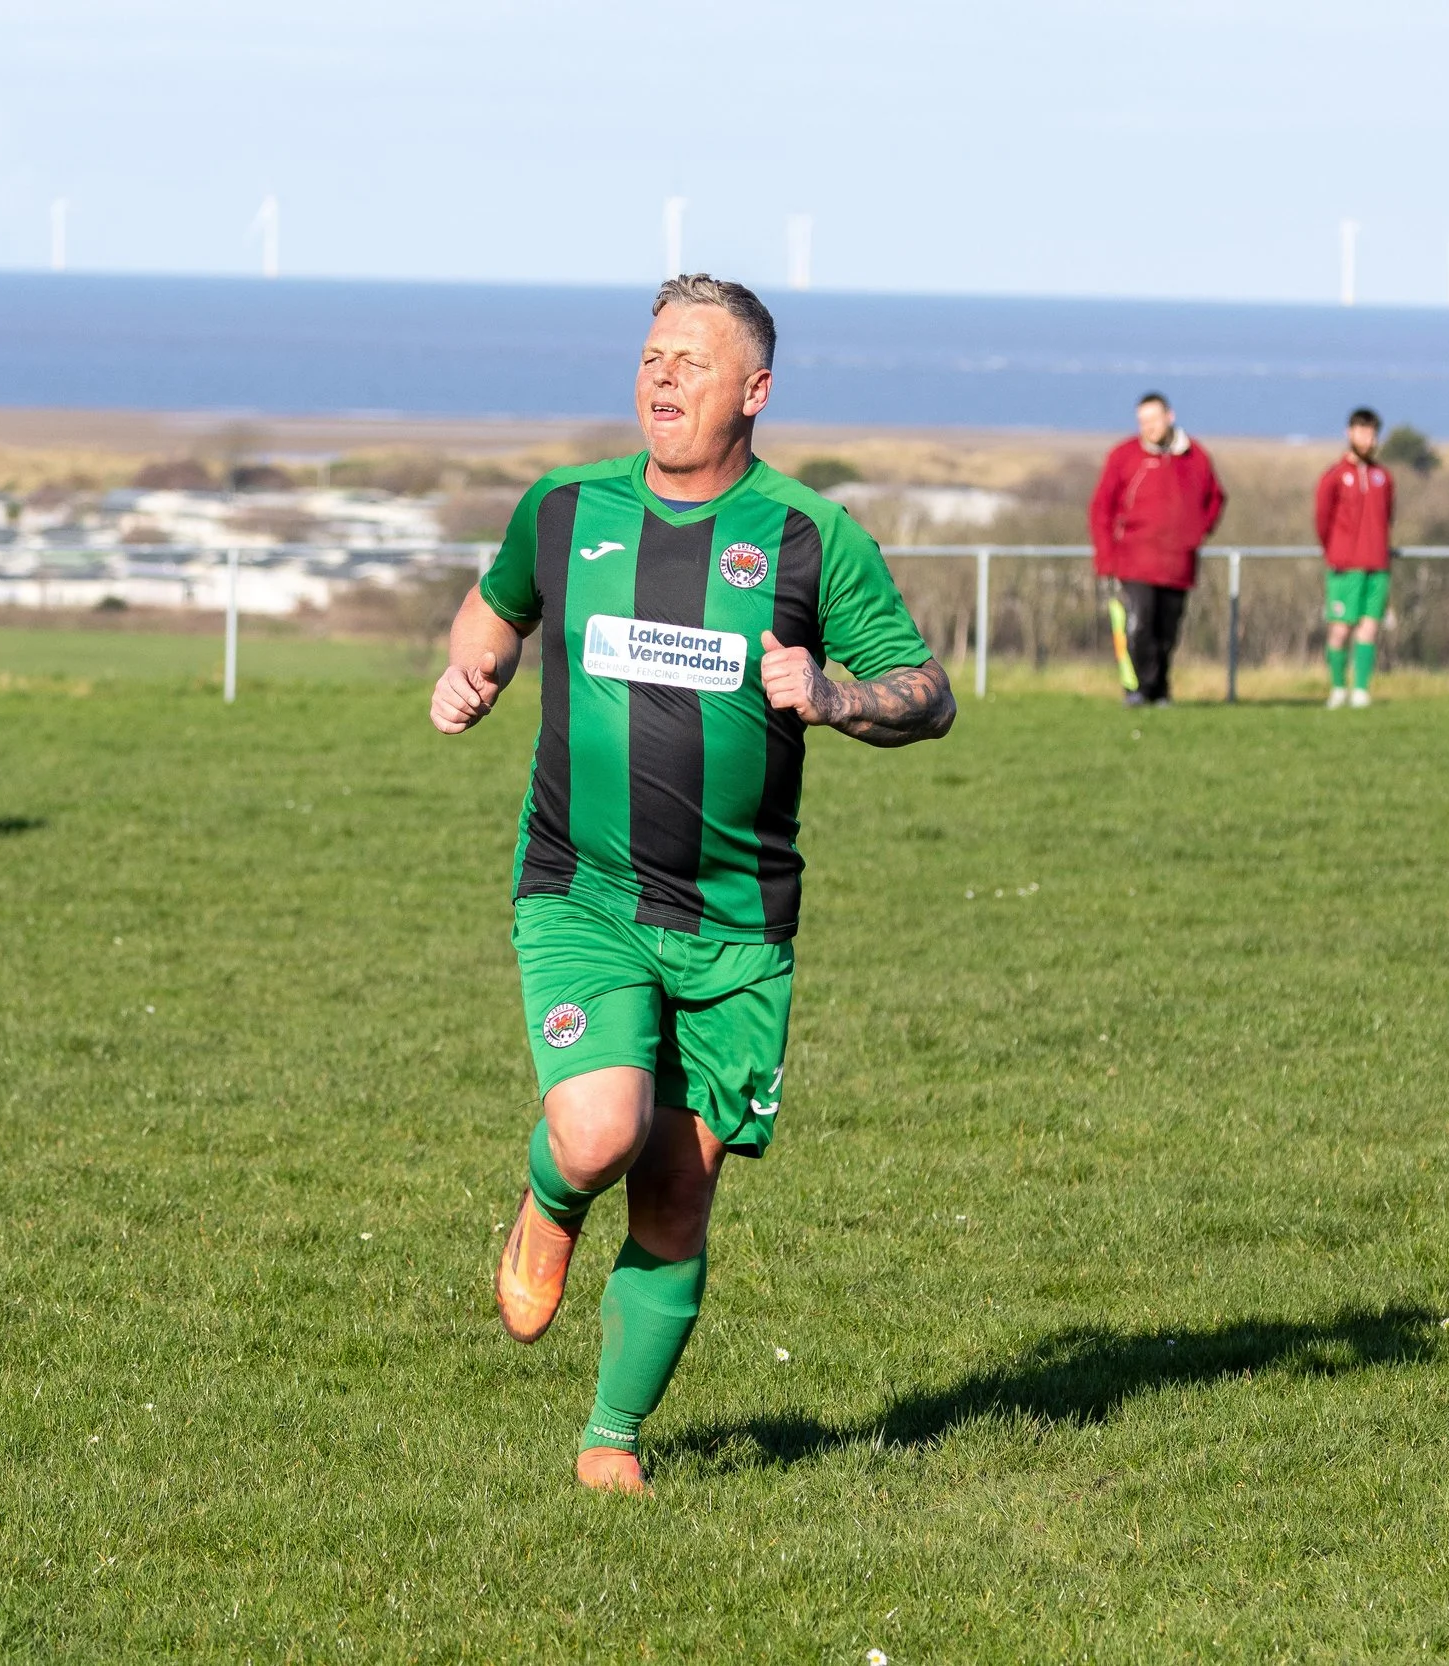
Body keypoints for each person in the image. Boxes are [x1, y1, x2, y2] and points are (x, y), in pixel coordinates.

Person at [430, 275, 955, 1494]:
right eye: (651, 354)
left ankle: (610, 1441)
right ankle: (550, 1196)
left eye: (692, 362)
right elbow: (496, 608)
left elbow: (927, 693)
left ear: (755, 393)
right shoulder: (563, 509)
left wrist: (837, 696)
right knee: (604, 1128)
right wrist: (474, 674)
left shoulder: (809, 540)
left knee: (675, 1193)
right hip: (584, 888)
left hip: (735, 923)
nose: (661, 377)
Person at [1088, 392, 1227, 707]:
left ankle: (1161, 690)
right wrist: (1106, 557)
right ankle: (1139, 689)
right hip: (1134, 560)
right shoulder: (1124, 455)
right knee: (1139, 625)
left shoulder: (1196, 456)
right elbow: (1101, 509)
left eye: (1153, 419)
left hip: (1179, 563)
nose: (1148, 427)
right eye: (1142, 421)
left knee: (1168, 632)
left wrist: (1196, 532)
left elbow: (1216, 498)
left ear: (1170, 416)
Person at [1314, 408, 1395, 708]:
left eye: (1372, 433)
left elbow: (1389, 516)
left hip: (1377, 564)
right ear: (1349, 433)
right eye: (1361, 432)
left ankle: (1360, 690)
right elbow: (1322, 519)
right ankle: (1337, 687)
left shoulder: (1383, 477)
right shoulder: (1334, 476)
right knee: (1340, 628)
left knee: (1369, 627)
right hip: (1345, 565)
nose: (1367, 439)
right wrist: (1336, 551)